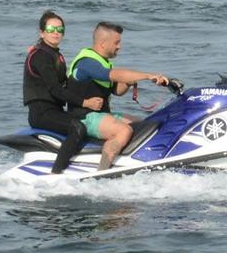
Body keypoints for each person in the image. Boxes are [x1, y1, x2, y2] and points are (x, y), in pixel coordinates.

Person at [67, 21, 177, 171]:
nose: (120, 46)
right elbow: (114, 75)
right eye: (117, 42)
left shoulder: (102, 62)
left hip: (99, 114)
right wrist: (147, 76)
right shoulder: (87, 62)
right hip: (84, 117)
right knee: (123, 130)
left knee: (145, 124)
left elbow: (117, 91)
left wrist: (130, 81)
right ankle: (103, 171)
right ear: (103, 43)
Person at [22, 10, 104, 174]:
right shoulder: (40, 56)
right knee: (77, 128)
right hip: (42, 112)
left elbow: (67, 84)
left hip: (54, 110)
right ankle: (56, 172)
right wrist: (85, 102)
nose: (56, 33)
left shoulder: (54, 54)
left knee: (89, 122)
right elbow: (55, 89)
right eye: (52, 29)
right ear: (42, 32)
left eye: (60, 30)